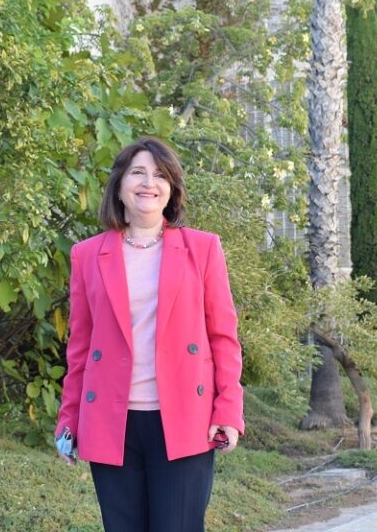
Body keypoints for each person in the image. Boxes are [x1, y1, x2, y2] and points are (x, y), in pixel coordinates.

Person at [54, 137, 244, 531]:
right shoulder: (87, 255)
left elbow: (222, 336)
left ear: (170, 189)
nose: (148, 182)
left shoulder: (203, 249)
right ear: (120, 186)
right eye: (137, 172)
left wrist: (228, 409)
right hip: (112, 421)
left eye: (159, 175)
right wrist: (68, 419)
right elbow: (81, 349)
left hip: (184, 419)